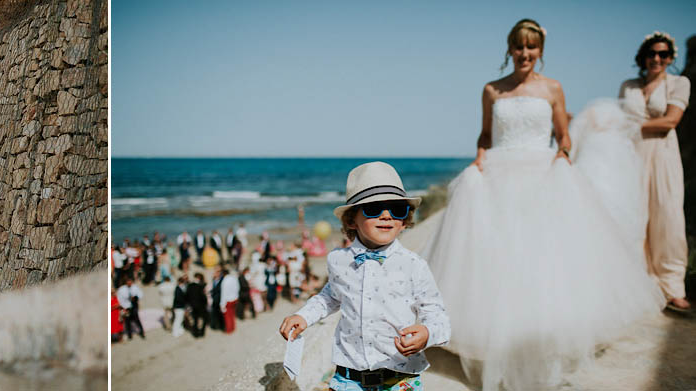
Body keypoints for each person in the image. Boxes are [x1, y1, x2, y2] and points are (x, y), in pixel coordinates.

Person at [422, 20, 664, 390]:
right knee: (498, 255)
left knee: (543, 257)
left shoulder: (553, 88)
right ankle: (490, 334)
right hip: (499, 173)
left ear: (540, 52)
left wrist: (564, 154)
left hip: (542, 172)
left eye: (531, 48)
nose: (525, 54)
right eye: (519, 47)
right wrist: (479, 159)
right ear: (510, 49)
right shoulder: (491, 90)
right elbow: (485, 134)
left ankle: (544, 333)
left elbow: (563, 135)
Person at [280, 161, 449, 391]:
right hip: (349, 377)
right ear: (351, 220)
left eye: (397, 209)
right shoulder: (338, 260)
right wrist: (304, 316)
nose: (387, 215)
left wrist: (427, 333)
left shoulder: (414, 265)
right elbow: (330, 296)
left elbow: (437, 315)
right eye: (374, 207)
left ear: (404, 221)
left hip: (400, 378)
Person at [620, 31, 691, 312]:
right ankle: (639, 285)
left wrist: (628, 126)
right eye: (652, 53)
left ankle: (673, 287)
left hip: (662, 155)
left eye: (663, 54)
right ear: (643, 57)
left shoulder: (678, 83)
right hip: (633, 155)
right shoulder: (629, 86)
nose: (657, 59)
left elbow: (670, 120)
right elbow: (618, 118)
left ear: (671, 58)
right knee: (633, 219)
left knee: (668, 217)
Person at [116, 276, 144, 340]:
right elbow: (120, 299)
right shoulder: (122, 289)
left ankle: (141, 332)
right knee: (127, 321)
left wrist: (136, 297)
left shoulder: (135, 287)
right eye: (128, 282)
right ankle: (129, 335)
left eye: (130, 282)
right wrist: (124, 307)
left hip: (134, 305)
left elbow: (141, 294)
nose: (129, 283)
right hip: (126, 307)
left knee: (137, 319)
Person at [186, 273, 208, 338]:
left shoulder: (189, 286)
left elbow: (187, 296)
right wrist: (205, 304)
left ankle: (196, 333)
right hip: (201, 306)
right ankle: (202, 332)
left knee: (195, 320)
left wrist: (190, 305)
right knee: (204, 319)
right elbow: (203, 297)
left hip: (193, 306)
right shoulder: (200, 286)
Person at [219, 268, 239, 334]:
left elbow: (223, 294)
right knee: (232, 314)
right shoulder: (233, 278)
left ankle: (229, 329)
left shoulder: (224, 281)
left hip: (228, 300)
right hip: (234, 298)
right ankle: (233, 327)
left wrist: (222, 304)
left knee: (227, 316)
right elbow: (237, 287)